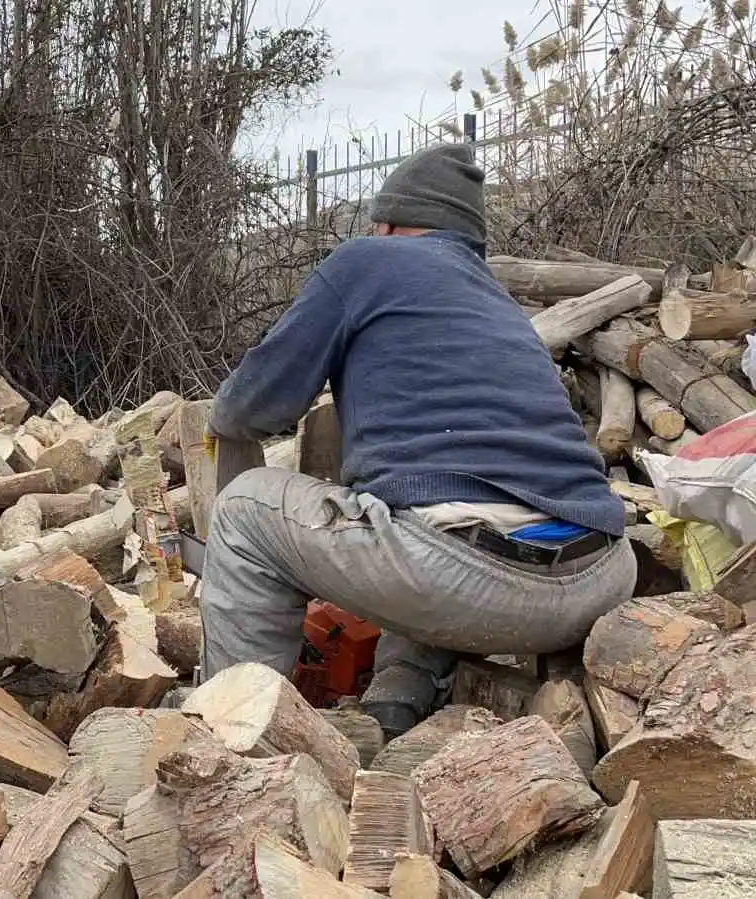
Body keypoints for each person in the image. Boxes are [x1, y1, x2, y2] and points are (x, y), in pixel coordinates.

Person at [200, 144, 636, 737]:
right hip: (600, 577)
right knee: (432, 519)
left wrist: (221, 430)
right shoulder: (502, 308)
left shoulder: (365, 262)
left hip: (468, 582)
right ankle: (394, 707)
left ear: (388, 225)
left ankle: (229, 740)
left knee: (245, 511)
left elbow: (249, 407)